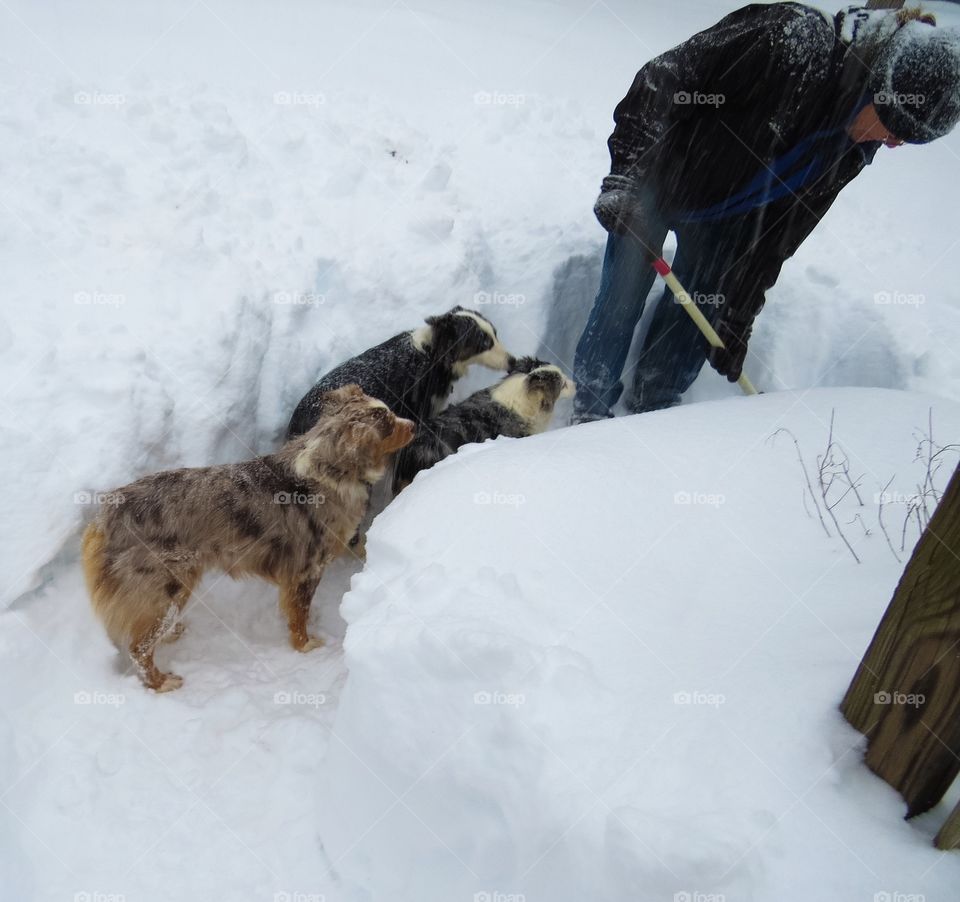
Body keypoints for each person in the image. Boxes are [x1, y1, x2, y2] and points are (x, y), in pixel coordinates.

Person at [572, 3, 960, 423]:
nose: (893, 144)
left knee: (701, 313)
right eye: (895, 125)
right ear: (876, 85)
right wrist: (626, 180)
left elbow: (779, 236)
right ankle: (589, 410)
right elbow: (662, 79)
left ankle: (659, 414)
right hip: (657, 181)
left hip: (725, 221)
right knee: (621, 298)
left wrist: (737, 319)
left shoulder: (853, 147)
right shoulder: (788, 39)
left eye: (907, 137)